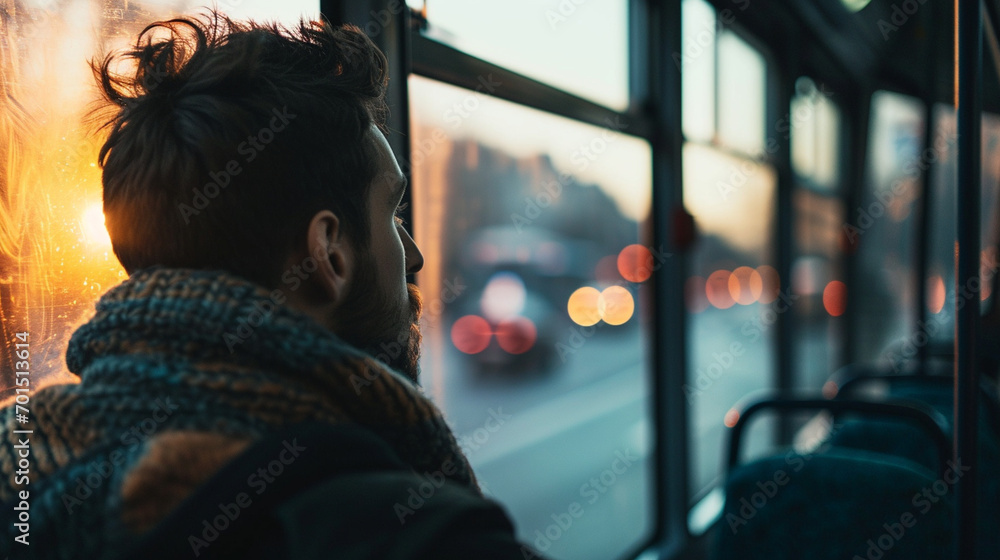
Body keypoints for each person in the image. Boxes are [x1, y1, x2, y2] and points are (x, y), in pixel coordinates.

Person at [0, 12, 538, 559]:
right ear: (327, 252)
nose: (416, 256)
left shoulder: (22, 458)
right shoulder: (416, 534)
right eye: (393, 214)